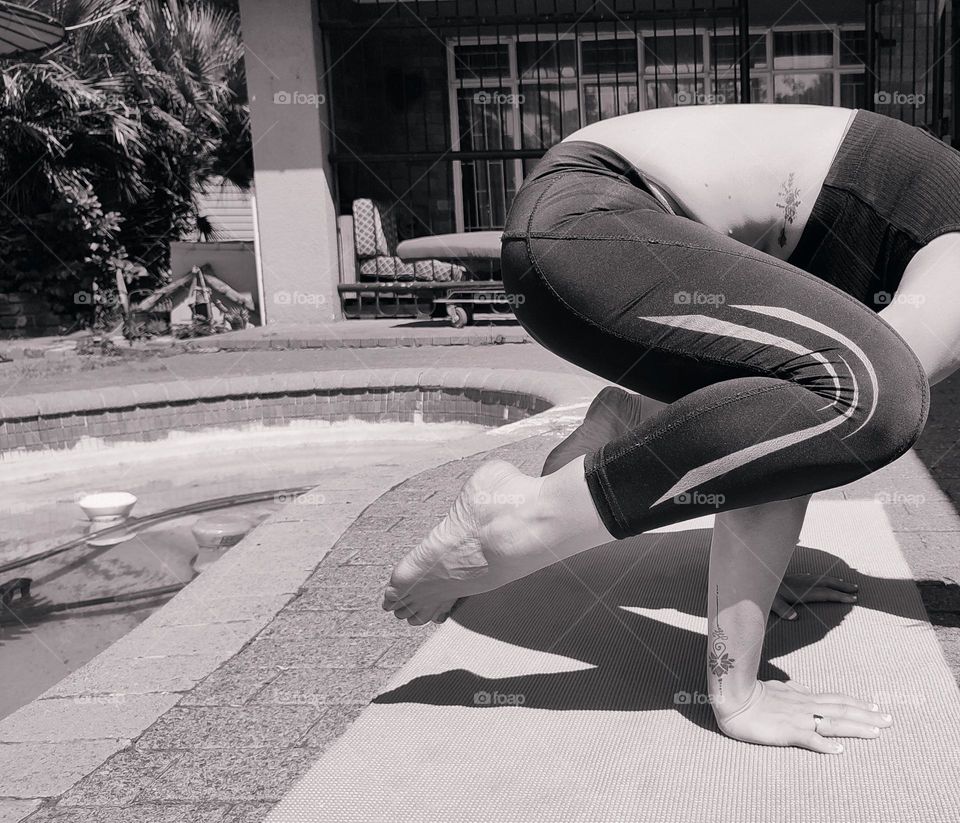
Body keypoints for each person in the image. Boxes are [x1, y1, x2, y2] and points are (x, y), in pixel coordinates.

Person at [382, 103, 960, 754]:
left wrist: (760, 569)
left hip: (583, 232)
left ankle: (625, 419)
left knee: (848, 385)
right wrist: (736, 689)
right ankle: (519, 517)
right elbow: (839, 403)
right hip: (584, 221)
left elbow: (785, 417)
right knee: (881, 393)